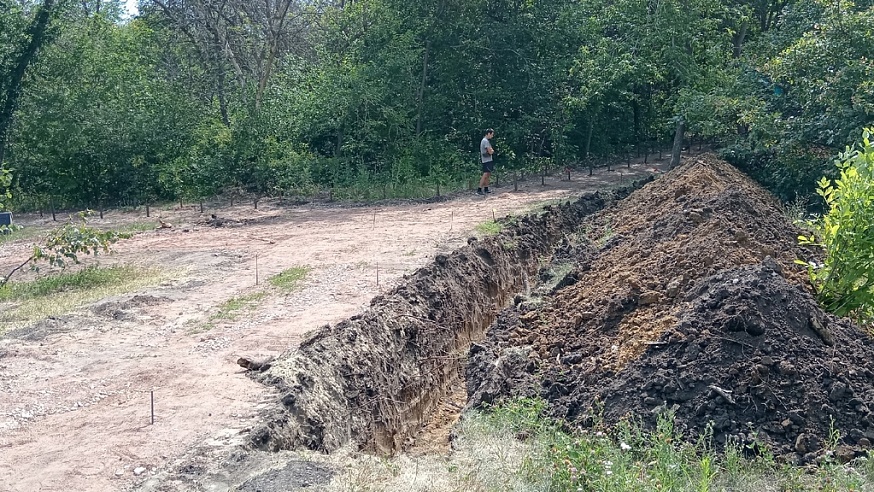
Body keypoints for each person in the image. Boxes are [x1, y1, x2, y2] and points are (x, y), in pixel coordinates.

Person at [478, 129, 495, 195]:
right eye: (492, 134)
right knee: (485, 174)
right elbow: (490, 151)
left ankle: (486, 188)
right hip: (486, 160)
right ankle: (479, 189)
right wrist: (491, 151)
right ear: (488, 133)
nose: (492, 136)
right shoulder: (485, 141)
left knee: (488, 174)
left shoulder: (485, 141)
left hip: (487, 160)